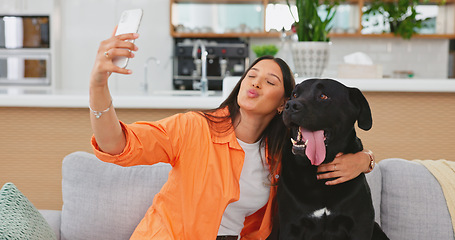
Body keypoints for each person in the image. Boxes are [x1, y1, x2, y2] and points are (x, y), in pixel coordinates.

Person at [88, 30, 375, 240]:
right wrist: (98, 86)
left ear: (282, 104)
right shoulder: (193, 127)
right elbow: (116, 145)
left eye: (270, 81)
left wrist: (366, 159)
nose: (256, 82)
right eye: (251, 75)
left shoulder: (279, 155)